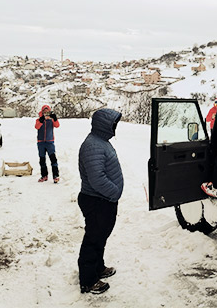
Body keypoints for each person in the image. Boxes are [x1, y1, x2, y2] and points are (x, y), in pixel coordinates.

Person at [77, 108, 124, 294]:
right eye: (113, 123)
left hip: (103, 200)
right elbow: (97, 179)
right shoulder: (93, 146)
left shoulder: (100, 141)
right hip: (97, 200)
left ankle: (98, 267)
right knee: (93, 239)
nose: (115, 127)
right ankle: (88, 280)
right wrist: (114, 193)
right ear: (104, 124)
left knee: (100, 236)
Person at [35, 105, 60, 183]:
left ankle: (55, 175)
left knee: (53, 159)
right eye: (44, 112)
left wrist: (55, 118)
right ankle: (44, 175)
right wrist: (42, 120)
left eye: (47, 112)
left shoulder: (51, 120)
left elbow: (57, 125)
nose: (46, 114)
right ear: (42, 112)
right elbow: (37, 127)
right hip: (41, 142)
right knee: (42, 160)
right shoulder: (39, 120)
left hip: (50, 142)